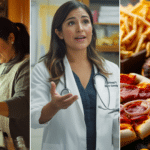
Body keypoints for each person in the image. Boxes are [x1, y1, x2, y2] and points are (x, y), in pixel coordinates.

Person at [31, 1, 119, 150]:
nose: (80, 29)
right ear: (59, 32)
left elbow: (118, 118)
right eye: (71, 23)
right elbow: (34, 119)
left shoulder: (111, 69)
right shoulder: (43, 69)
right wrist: (53, 106)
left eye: (85, 21)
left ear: (92, 27)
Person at [0, 17, 29, 148]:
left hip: (21, 144)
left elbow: (24, 103)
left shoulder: (26, 65)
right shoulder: (2, 64)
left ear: (11, 38)